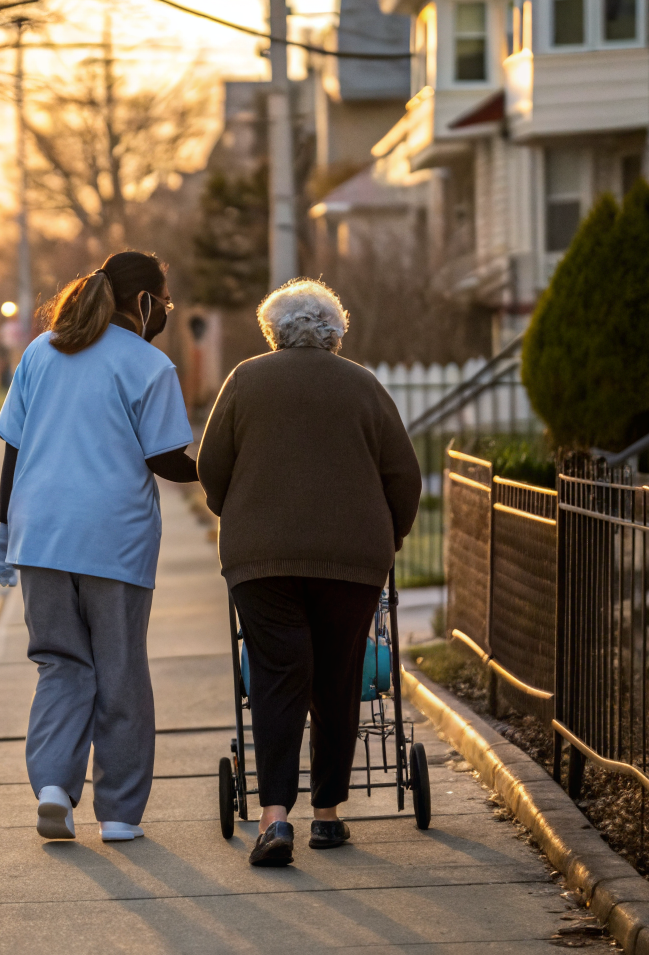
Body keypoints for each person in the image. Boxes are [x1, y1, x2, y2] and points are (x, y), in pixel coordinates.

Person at [197, 279, 420, 867]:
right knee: (337, 676)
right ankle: (327, 816)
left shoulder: (245, 379)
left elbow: (212, 466)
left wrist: (240, 513)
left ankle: (274, 819)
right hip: (352, 560)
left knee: (277, 675)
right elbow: (404, 475)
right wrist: (388, 536)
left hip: (261, 560)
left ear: (273, 332)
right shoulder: (365, 386)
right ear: (335, 333)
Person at [0, 251, 198, 843]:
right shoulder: (147, 365)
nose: (167, 310)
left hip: (41, 536)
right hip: (114, 538)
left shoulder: (40, 352)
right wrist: (222, 468)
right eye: (165, 299)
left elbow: (13, 449)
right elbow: (165, 461)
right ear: (144, 302)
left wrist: (5, 533)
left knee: (60, 664)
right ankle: (120, 816)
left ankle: (53, 785)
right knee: (120, 670)